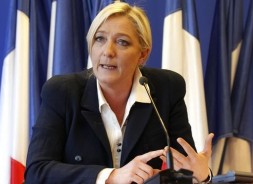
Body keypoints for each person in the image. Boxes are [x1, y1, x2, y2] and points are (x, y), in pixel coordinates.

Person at [25, 1, 214, 183]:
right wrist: (111, 176)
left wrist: (202, 176)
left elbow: (184, 171)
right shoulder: (62, 92)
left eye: (122, 42)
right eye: (99, 39)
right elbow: (37, 171)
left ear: (143, 54)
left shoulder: (167, 89)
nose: (108, 51)